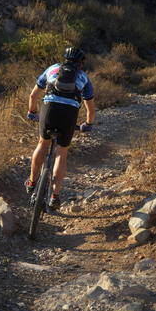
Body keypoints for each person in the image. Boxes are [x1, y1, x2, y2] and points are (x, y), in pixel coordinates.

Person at [24, 47, 95, 210]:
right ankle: (55, 196)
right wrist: (88, 124)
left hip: (49, 110)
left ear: (64, 59)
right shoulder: (84, 77)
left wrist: (32, 112)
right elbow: (90, 108)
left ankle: (32, 182)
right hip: (68, 115)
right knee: (62, 153)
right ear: (81, 63)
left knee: (43, 143)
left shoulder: (52, 69)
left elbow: (33, 95)